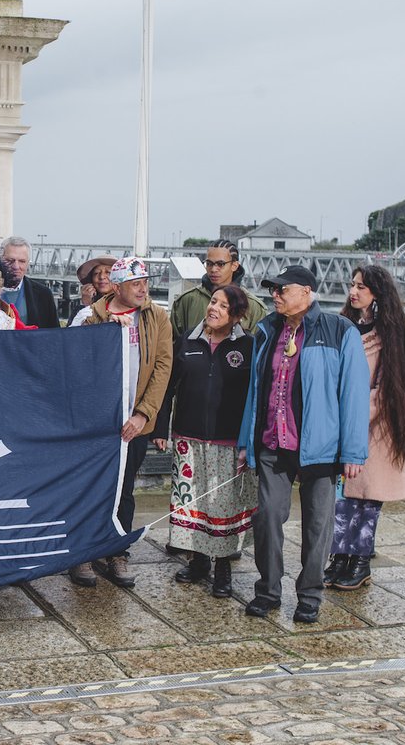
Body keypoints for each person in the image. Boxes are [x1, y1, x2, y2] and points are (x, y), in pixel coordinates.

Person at [236, 264, 370, 624]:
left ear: (307, 292)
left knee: (318, 526)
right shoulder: (266, 331)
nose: (275, 295)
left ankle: (310, 595)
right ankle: (268, 590)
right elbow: (255, 390)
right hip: (272, 443)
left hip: (321, 447)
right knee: (266, 517)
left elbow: (354, 395)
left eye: (283, 290)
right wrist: (246, 439)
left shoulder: (340, 331)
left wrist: (354, 451)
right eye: (273, 290)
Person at [69, 257, 172, 589]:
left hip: (135, 421)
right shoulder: (89, 316)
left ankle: (117, 550)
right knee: (90, 486)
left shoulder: (158, 318)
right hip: (97, 421)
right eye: (135, 283)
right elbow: (74, 366)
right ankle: (82, 551)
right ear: (116, 287)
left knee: (125, 488)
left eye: (145, 282)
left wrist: (143, 413)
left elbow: (162, 367)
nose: (143, 288)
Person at [152, 286, 257, 597]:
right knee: (191, 501)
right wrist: (160, 430)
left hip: (228, 441)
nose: (214, 309)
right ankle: (197, 561)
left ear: (236, 315)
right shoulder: (187, 342)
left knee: (223, 504)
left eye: (224, 306)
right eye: (213, 302)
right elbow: (168, 388)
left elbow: (255, 397)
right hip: (188, 438)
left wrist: (248, 441)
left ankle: (223, 566)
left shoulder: (248, 347)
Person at [324, 266, 405, 591]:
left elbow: (386, 390)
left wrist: (348, 416)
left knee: (367, 498)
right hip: (344, 425)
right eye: (352, 285)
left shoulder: (388, 335)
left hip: (374, 431)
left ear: (377, 294)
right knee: (343, 498)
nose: (353, 292)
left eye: (361, 287)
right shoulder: (344, 327)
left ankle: (361, 561)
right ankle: (340, 557)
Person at [169, 240, 267, 339]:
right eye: (209, 263)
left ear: (234, 265)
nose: (213, 269)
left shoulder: (254, 306)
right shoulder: (186, 301)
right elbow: (173, 345)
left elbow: (258, 349)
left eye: (220, 264)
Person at [0, 236, 61, 328]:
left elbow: (54, 334)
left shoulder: (44, 294)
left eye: (22, 261)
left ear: (28, 263)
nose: (16, 266)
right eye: (10, 260)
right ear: (0, 260)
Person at [70, 255, 116, 319]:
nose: (101, 277)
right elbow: (74, 327)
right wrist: (86, 304)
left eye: (108, 272)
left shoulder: (125, 303)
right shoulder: (82, 307)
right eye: (96, 273)